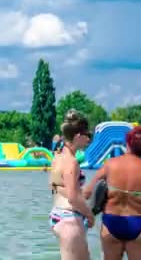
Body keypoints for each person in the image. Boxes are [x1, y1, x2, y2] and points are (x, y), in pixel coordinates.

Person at [83, 126, 141, 259]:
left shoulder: (110, 164)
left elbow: (87, 192)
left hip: (111, 222)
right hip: (139, 223)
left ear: (127, 142)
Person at [48, 109, 95, 260]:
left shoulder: (58, 156)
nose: (88, 139)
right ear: (78, 136)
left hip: (57, 214)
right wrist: (89, 214)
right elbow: (73, 198)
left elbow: (54, 186)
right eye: (87, 135)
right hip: (70, 218)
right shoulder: (72, 162)